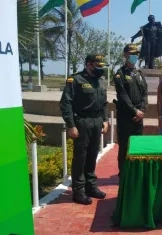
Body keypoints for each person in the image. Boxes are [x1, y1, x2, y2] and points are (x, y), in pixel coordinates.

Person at [59, 53, 109, 205]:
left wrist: (105, 120)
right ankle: (78, 190)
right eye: (97, 66)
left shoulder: (100, 81)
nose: (100, 69)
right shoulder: (75, 80)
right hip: (82, 122)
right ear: (88, 64)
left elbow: (104, 103)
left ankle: (90, 186)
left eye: (102, 66)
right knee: (81, 156)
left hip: (97, 121)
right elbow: (65, 103)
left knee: (92, 155)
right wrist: (71, 125)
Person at [113, 43, 148, 177]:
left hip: (139, 116)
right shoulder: (119, 74)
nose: (134, 56)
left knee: (137, 144)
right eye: (131, 54)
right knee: (124, 145)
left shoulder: (139, 73)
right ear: (125, 55)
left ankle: (135, 171)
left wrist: (142, 110)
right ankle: (123, 173)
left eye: (136, 54)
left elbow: (145, 93)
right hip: (126, 116)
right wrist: (135, 111)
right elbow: (123, 95)